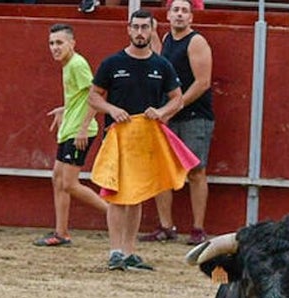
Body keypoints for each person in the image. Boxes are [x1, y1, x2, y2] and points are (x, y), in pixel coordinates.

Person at [89, 9, 186, 272]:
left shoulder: (161, 65)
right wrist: (111, 109)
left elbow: (178, 98)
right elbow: (94, 97)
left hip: (145, 139)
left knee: (138, 195)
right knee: (117, 195)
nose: (141, 33)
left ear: (152, 30)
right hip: (118, 136)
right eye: (137, 27)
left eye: (146, 28)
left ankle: (129, 251)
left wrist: (162, 113)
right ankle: (115, 251)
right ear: (128, 30)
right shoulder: (112, 63)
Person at [138, 0, 215, 247]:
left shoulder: (196, 41)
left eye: (184, 11)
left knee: (196, 170)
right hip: (169, 114)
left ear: (191, 18)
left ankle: (198, 228)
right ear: (168, 16)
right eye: (175, 10)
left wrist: (173, 107)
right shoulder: (167, 40)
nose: (180, 15)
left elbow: (202, 83)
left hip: (194, 116)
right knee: (163, 170)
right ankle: (166, 226)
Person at [35, 24, 110, 248]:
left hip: (79, 131)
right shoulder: (69, 64)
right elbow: (78, 96)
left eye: (59, 43)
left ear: (72, 44)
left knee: (69, 184)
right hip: (71, 128)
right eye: (52, 43)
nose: (55, 48)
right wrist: (64, 110)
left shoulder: (77, 64)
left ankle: (115, 214)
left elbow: (94, 95)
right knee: (58, 179)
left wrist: (83, 128)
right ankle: (61, 232)